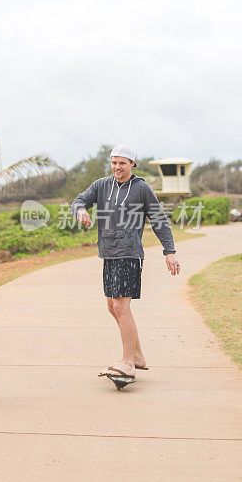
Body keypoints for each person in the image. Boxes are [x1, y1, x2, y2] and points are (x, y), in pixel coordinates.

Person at [71, 144, 180, 379]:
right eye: (114, 162)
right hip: (108, 254)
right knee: (113, 307)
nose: (117, 167)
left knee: (121, 306)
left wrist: (169, 251)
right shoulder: (101, 185)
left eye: (122, 163)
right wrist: (80, 209)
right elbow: (79, 200)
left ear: (132, 164)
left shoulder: (141, 189)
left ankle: (128, 362)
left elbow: (159, 220)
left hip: (129, 254)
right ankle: (138, 355)